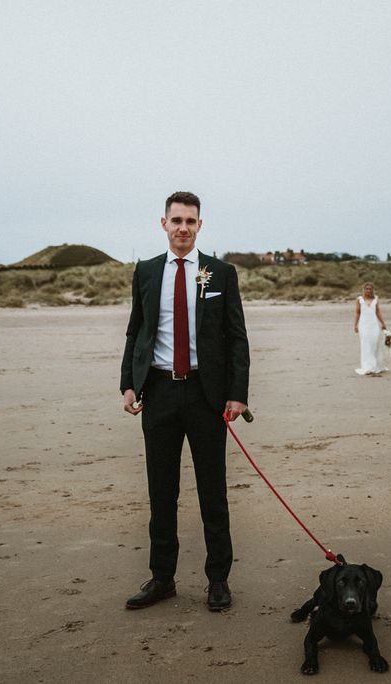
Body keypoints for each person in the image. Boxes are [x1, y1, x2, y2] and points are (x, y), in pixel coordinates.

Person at [120, 191, 250, 612]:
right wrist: (129, 383)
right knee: (162, 491)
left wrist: (237, 394)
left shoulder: (221, 273)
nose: (182, 228)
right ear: (163, 224)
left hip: (205, 395)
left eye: (190, 221)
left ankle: (218, 580)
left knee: (213, 492)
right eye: (176, 220)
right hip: (158, 393)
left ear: (200, 225)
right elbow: (135, 332)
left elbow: (237, 338)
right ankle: (162, 578)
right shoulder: (146, 272)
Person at [353, 282, 387, 376]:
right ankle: (368, 367)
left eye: (370, 289)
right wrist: (355, 325)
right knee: (366, 345)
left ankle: (376, 365)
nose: (368, 290)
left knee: (374, 344)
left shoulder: (375, 299)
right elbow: (357, 313)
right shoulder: (359, 299)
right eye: (366, 289)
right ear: (364, 290)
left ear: (372, 290)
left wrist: (383, 323)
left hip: (374, 325)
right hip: (363, 325)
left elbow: (378, 312)